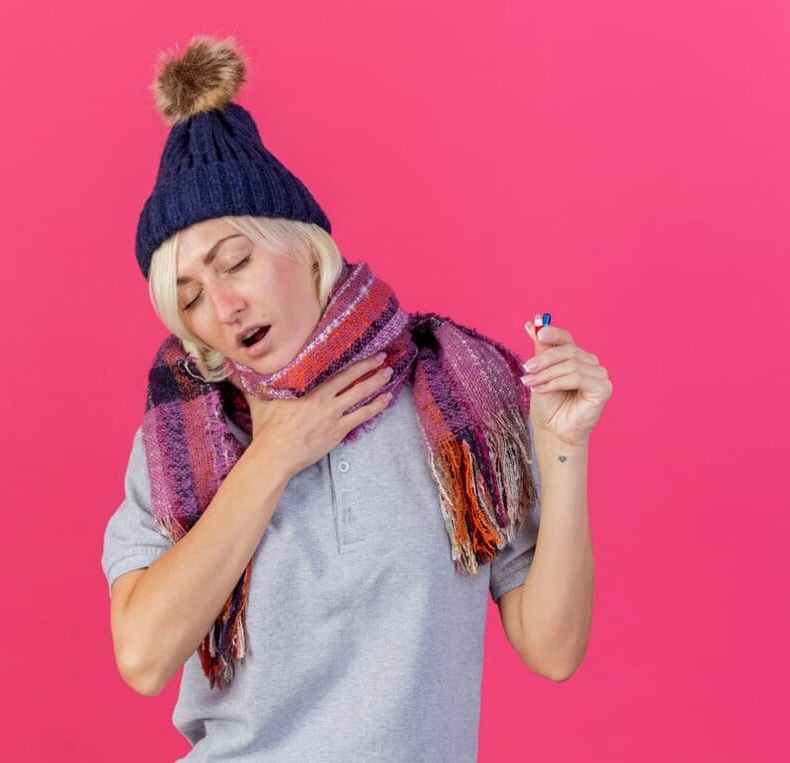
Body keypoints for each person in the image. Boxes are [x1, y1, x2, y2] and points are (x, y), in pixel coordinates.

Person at [101, 34, 605, 762]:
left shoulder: (453, 396)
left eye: (236, 261)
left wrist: (565, 446)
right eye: (190, 298)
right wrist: (275, 452)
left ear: (305, 246)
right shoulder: (182, 440)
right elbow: (144, 654)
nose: (223, 307)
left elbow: (554, 647)